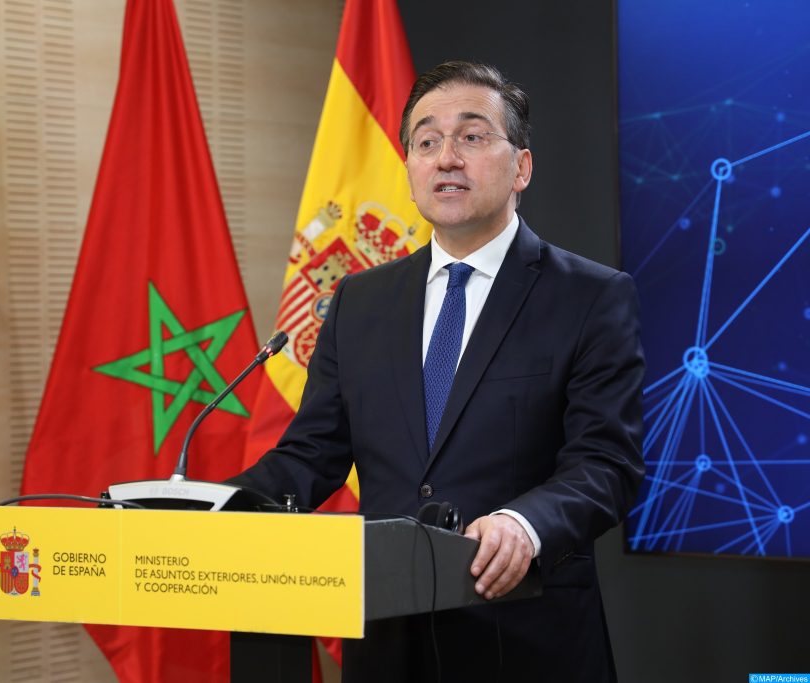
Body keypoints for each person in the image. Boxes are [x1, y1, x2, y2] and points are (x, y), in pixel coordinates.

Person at [230, 61, 644, 683]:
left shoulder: (590, 297)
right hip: (387, 639)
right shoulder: (359, 301)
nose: (446, 157)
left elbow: (606, 465)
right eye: (426, 142)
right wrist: (209, 509)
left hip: (525, 637)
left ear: (522, 168)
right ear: (410, 171)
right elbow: (311, 456)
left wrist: (523, 525)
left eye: (472, 136)